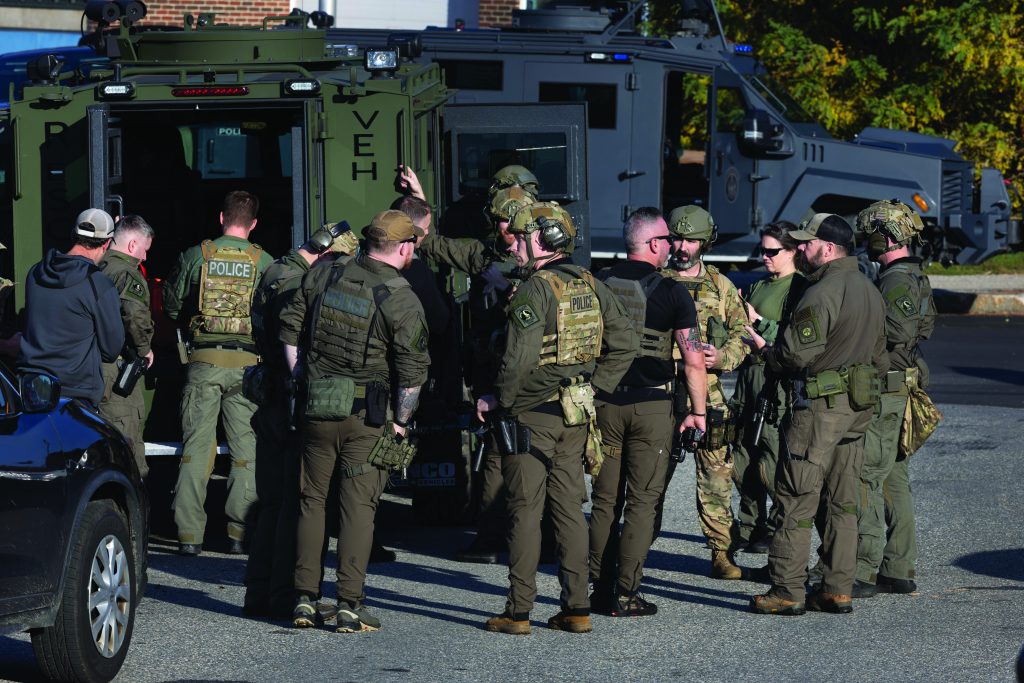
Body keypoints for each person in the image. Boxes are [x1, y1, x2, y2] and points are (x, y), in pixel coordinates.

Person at [477, 202, 638, 636]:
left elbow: (517, 360)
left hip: (531, 415)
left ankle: (518, 612)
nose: (514, 246)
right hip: (575, 414)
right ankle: (577, 608)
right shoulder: (590, 282)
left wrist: (498, 401)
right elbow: (626, 342)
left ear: (540, 239)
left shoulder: (535, 289)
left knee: (524, 513)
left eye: (520, 237)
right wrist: (594, 386)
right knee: (569, 510)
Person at [279, 210, 429, 633]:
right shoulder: (401, 297)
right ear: (404, 247)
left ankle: (305, 599)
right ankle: (349, 603)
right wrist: (400, 423)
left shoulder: (325, 272)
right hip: (367, 416)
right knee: (358, 507)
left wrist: (301, 379)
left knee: (311, 501)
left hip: (316, 406)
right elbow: (413, 374)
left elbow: (289, 330)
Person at [746, 213, 887, 616]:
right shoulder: (869, 289)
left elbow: (794, 354)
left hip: (820, 410)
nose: (801, 249)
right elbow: (882, 355)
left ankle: (787, 590)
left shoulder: (822, 291)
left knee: (795, 496)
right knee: (843, 500)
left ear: (827, 248)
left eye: (806, 243)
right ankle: (837, 588)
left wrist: (766, 352)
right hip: (857, 407)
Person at [589, 207, 707, 617]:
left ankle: (598, 587)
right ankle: (626, 592)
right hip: (652, 408)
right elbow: (693, 360)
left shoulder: (599, 282)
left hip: (604, 403)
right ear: (654, 244)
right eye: (668, 239)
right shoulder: (673, 292)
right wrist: (698, 413)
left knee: (604, 499)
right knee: (642, 501)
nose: (672, 246)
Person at [243, 222, 357, 620]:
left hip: (270, 397)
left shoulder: (275, 270)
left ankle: (258, 592)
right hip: (288, 400)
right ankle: (284, 595)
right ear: (326, 254)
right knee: (294, 502)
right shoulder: (299, 284)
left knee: (271, 503)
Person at [164, 190, 274, 557]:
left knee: (197, 450)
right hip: (247, 367)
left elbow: (172, 306)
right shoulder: (264, 261)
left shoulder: (197, 255)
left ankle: (189, 536)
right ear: (253, 223)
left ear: (222, 218)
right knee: (246, 451)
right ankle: (238, 534)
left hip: (203, 364)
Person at [659, 205, 749, 580]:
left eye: (691, 241)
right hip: (662, 389)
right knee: (650, 475)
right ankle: (634, 548)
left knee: (716, 475)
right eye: (677, 239)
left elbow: (742, 334)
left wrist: (723, 356)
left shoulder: (720, 286)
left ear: (705, 243)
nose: (682, 247)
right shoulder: (654, 281)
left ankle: (721, 552)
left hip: (708, 393)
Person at [852, 200, 935, 598]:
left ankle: (862, 568)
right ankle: (898, 567)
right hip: (899, 385)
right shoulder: (911, 275)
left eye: (870, 235)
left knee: (866, 474)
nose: (865, 242)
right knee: (893, 476)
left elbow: (897, 333)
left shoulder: (895, 280)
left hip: (885, 389)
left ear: (886, 238)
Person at [730, 222, 805, 553]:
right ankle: (750, 527)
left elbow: (794, 338)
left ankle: (778, 527)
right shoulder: (759, 285)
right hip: (748, 378)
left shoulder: (799, 289)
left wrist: (758, 321)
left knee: (772, 461)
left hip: (774, 379)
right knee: (742, 458)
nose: (765, 256)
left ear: (792, 251)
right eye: (762, 250)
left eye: (772, 251)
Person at [19, 209, 124, 408]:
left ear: (73, 235)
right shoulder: (98, 284)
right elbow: (111, 350)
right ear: (107, 243)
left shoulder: (35, 273)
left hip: (30, 390)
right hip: (75, 395)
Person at [98, 215, 156, 479]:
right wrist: (144, 349)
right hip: (116, 370)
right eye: (144, 249)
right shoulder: (127, 272)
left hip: (90, 368)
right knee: (126, 443)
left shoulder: (95, 265)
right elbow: (133, 315)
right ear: (132, 245)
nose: (144, 257)